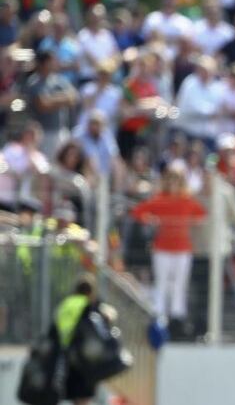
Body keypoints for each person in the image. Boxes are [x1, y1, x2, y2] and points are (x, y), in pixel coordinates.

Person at [130, 164, 206, 334]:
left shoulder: (187, 200)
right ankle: (159, 316)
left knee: (180, 283)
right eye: (171, 178)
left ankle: (177, 318)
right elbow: (138, 212)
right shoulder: (159, 199)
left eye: (177, 179)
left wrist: (190, 223)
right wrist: (150, 220)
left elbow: (201, 215)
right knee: (162, 282)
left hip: (182, 248)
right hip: (162, 248)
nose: (174, 183)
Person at [55, 274, 117, 405]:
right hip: (84, 356)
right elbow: (110, 315)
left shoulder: (66, 304)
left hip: (66, 354)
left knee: (74, 396)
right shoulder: (87, 303)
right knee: (84, 397)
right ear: (90, 291)